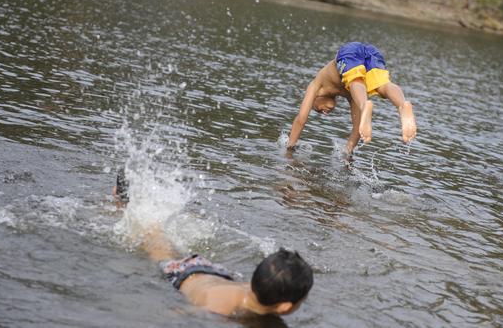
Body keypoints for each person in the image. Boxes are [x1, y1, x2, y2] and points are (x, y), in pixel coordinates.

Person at [113, 172, 314, 316]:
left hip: (217, 275)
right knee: (157, 245)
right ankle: (125, 203)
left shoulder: (260, 294)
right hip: (184, 274)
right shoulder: (217, 309)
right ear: (285, 308)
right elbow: (177, 314)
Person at [287, 42, 417, 154]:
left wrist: (289, 148)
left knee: (355, 80)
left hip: (350, 51)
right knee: (383, 86)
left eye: (318, 109)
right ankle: (402, 105)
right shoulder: (352, 95)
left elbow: (301, 119)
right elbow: (357, 128)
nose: (324, 112)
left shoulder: (316, 86)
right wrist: (347, 152)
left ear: (315, 99)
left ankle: (365, 105)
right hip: (372, 53)